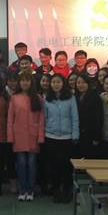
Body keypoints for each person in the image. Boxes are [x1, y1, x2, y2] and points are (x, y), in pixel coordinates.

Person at [7, 71, 45, 202]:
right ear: (19, 82)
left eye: (27, 80)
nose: (25, 83)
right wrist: (10, 137)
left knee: (32, 164)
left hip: (33, 136)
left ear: (31, 82)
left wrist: (40, 136)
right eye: (22, 80)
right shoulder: (14, 98)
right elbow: (10, 119)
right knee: (21, 164)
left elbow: (41, 119)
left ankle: (31, 190)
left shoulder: (38, 98)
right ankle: (22, 190)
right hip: (19, 136)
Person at [44, 74, 79, 203]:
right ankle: (56, 191)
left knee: (66, 166)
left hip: (67, 137)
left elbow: (74, 117)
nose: (56, 84)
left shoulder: (71, 98)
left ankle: (67, 191)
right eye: (53, 82)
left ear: (63, 83)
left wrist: (75, 135)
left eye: (58, 82)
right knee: (54, 166)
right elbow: (44, 118)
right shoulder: (47, 99)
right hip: (50, 136)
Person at [75, 74, 103, 159]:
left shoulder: (95, 97)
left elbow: (99, 118)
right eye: (78, 83)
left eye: (84, 82)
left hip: (91, 134)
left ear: (88, 84)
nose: (81, 85)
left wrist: (97, 137)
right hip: (78, 134)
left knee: (90, 159)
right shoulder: (75, 97)